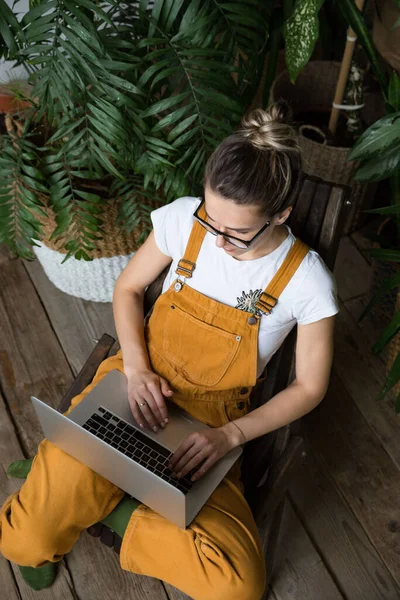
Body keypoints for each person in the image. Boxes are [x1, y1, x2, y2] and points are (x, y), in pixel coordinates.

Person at [0, 102, 339, 600]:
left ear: (281, 215)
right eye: (210, 218)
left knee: (238, 586)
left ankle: (109, 501)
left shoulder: (306, 279)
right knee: (25, 542)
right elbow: (128, 289)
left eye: (237, 233)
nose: (217, 238)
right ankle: (89, 487)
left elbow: (310, 386)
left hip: (211, 422)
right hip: (134, 384)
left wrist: (230, 437)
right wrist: (136, 370)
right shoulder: (184, 221)